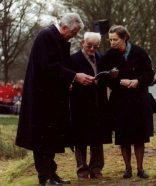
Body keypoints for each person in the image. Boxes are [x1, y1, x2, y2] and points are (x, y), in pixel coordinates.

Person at [15, 13, 95, 186]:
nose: (73, 36)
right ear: (65, 27)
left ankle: (52, 174)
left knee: (50, 138)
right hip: (41, 100)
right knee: (42, 139)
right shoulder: (47, 36)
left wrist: (68, 81)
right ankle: (45, 177)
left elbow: (58, 66)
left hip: (50, 99)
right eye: (73, 33)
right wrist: (74, 76)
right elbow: (47, 66)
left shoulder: (56, 38)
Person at [102, 25, 155, 179]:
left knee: (140, 136)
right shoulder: (109, 56)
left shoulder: (140, 52)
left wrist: (138, 81)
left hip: (139, 99)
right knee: (123, 137)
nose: (112, 43)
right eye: (110, 40)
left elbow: (149, 74)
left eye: (115, 40)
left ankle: (140, 169)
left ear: (124, 38)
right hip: (120, 101)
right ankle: (127, 169)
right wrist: (119, 82)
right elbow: (104, 77)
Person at [69, 32, 112, 180]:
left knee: (97, 138)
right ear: (82, 43)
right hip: (80, 104)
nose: (92, 49)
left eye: (96, 46)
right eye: (89, 46)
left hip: (98, 103)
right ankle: (82, 170)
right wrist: (76, 81)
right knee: (80, 139)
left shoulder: (101, 58)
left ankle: (96, 168)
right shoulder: (73, 59)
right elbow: (68, 79)